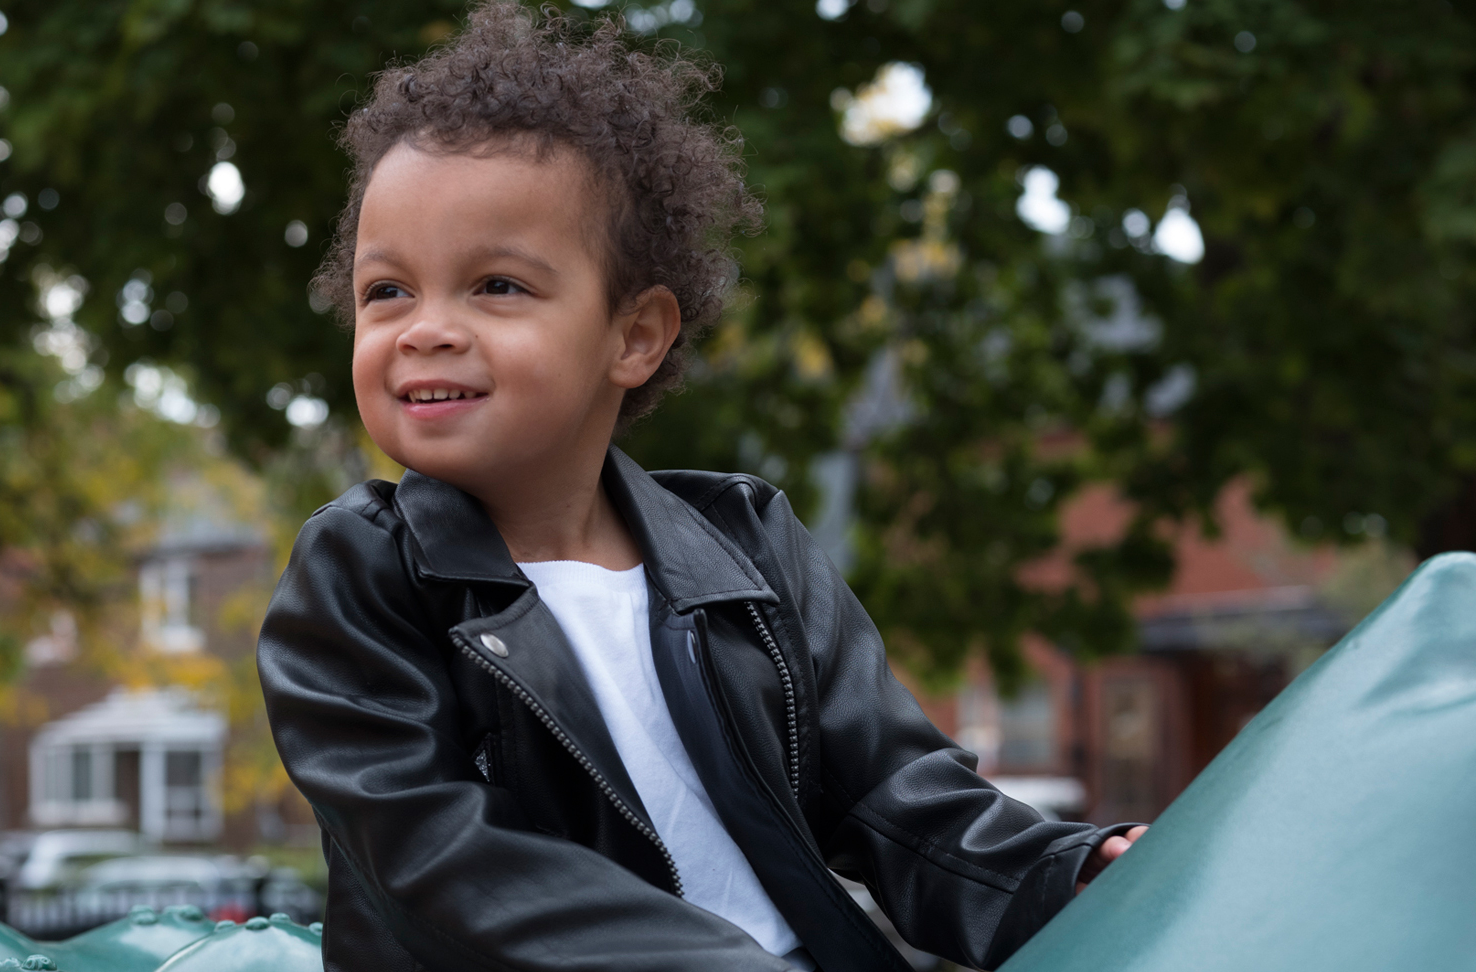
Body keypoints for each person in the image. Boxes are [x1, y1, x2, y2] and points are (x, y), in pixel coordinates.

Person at [257, 5, 1145, 970]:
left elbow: (892, 794)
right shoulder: (362, 572)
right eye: (387, 291)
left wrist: (1062, 870)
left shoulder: (743, 546)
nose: (424, 328)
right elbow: (443, 862)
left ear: (634, 336)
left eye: (496, 286)